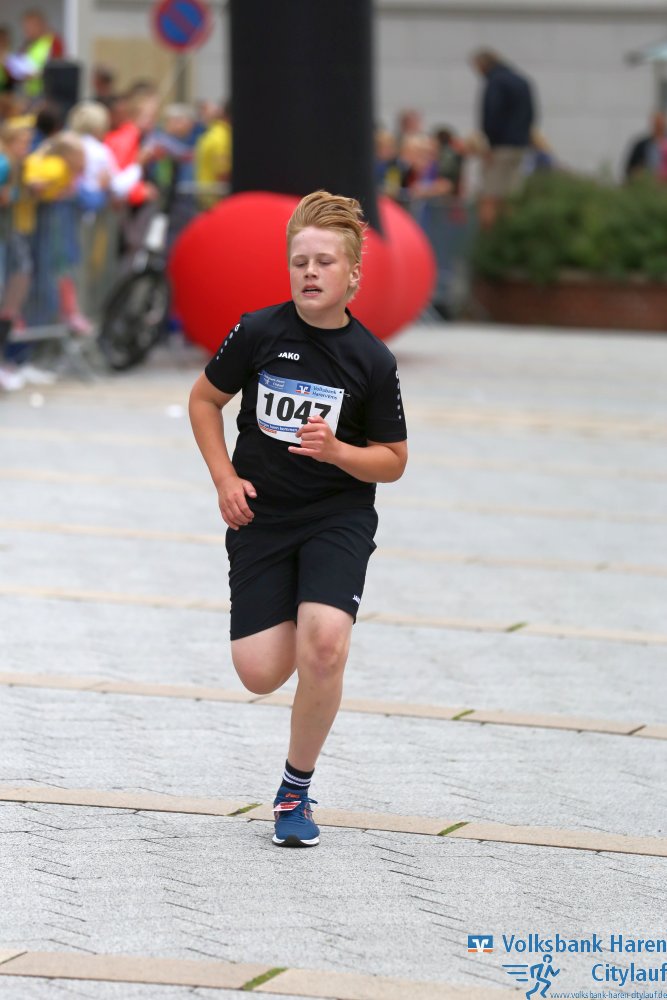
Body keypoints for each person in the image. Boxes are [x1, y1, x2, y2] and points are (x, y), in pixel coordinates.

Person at [188, 190, 408, 848]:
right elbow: (203, 402)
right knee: (259, 672)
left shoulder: (372, 359)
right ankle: (295, 604)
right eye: (299, 262)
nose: (309, 273)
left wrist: (339, 452)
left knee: (325, 645)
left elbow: (393, 461)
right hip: (261, 516)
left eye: (324, 262)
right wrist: (224, 479)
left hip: (336, 515)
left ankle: (294, 790)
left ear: (352, 274)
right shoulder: (259, 331)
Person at [471, 48, 535, 227]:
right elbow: (531, 115)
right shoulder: (522, 81)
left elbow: (492, 114)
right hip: (519, 146)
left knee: (490, 196)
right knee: (511, 196)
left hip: (500, 146)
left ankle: (489, 237)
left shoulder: (495, 82)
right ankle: (509, 234)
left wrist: (489, 145)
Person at [624, 111, 667, 181]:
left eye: (660, 123)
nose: (659, 126)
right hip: (647, 182)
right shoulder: (641, 146)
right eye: (656, 123)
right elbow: (629, 169)